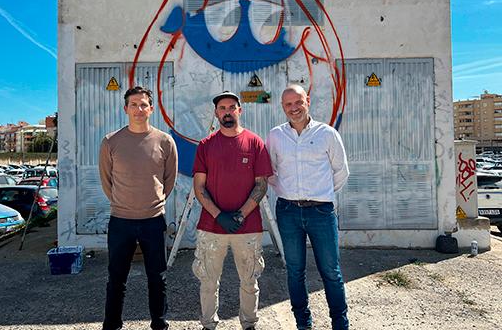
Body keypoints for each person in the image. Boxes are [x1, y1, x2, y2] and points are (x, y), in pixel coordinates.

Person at [266, 84, 350, 330]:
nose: (294, 108)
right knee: (295, 270)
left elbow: (341, 171)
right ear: (283, 107)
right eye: (288, 104)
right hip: (288, 212)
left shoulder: (327, 134)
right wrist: (287, 191)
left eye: (298, 102)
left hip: (321, 212)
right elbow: (270, 172)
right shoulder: (275, 136)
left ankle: (340, 324)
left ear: (308, 101)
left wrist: (320, 193)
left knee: (331, 271)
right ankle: (303, 323)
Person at [191, 91, 273, 330]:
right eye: (222, 108)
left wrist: (240, 215)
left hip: (247, 227)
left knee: (249, 281)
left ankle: (249, 324)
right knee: (208, 281)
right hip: (211, 227)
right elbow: (199, 186)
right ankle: (208, 324)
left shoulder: (255, 143)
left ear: (240, 110)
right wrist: (219, 215)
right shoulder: (206, 145)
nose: (227, 112)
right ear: (216, 113)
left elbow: (261, 185)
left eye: (231, 107)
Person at [98, 86, 178, 330]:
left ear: (151, 109)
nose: (139, 109)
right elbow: (106, 181)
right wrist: (123, 203)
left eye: (143, 104)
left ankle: (159, 323)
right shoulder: (111, 141)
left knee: (157, 277)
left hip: (153, 220)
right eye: (133, 104)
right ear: (126, 109)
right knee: (116, 278)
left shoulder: (165, 141)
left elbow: (169, 180)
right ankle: (112, 324)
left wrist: (153, 202)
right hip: (120, 221)